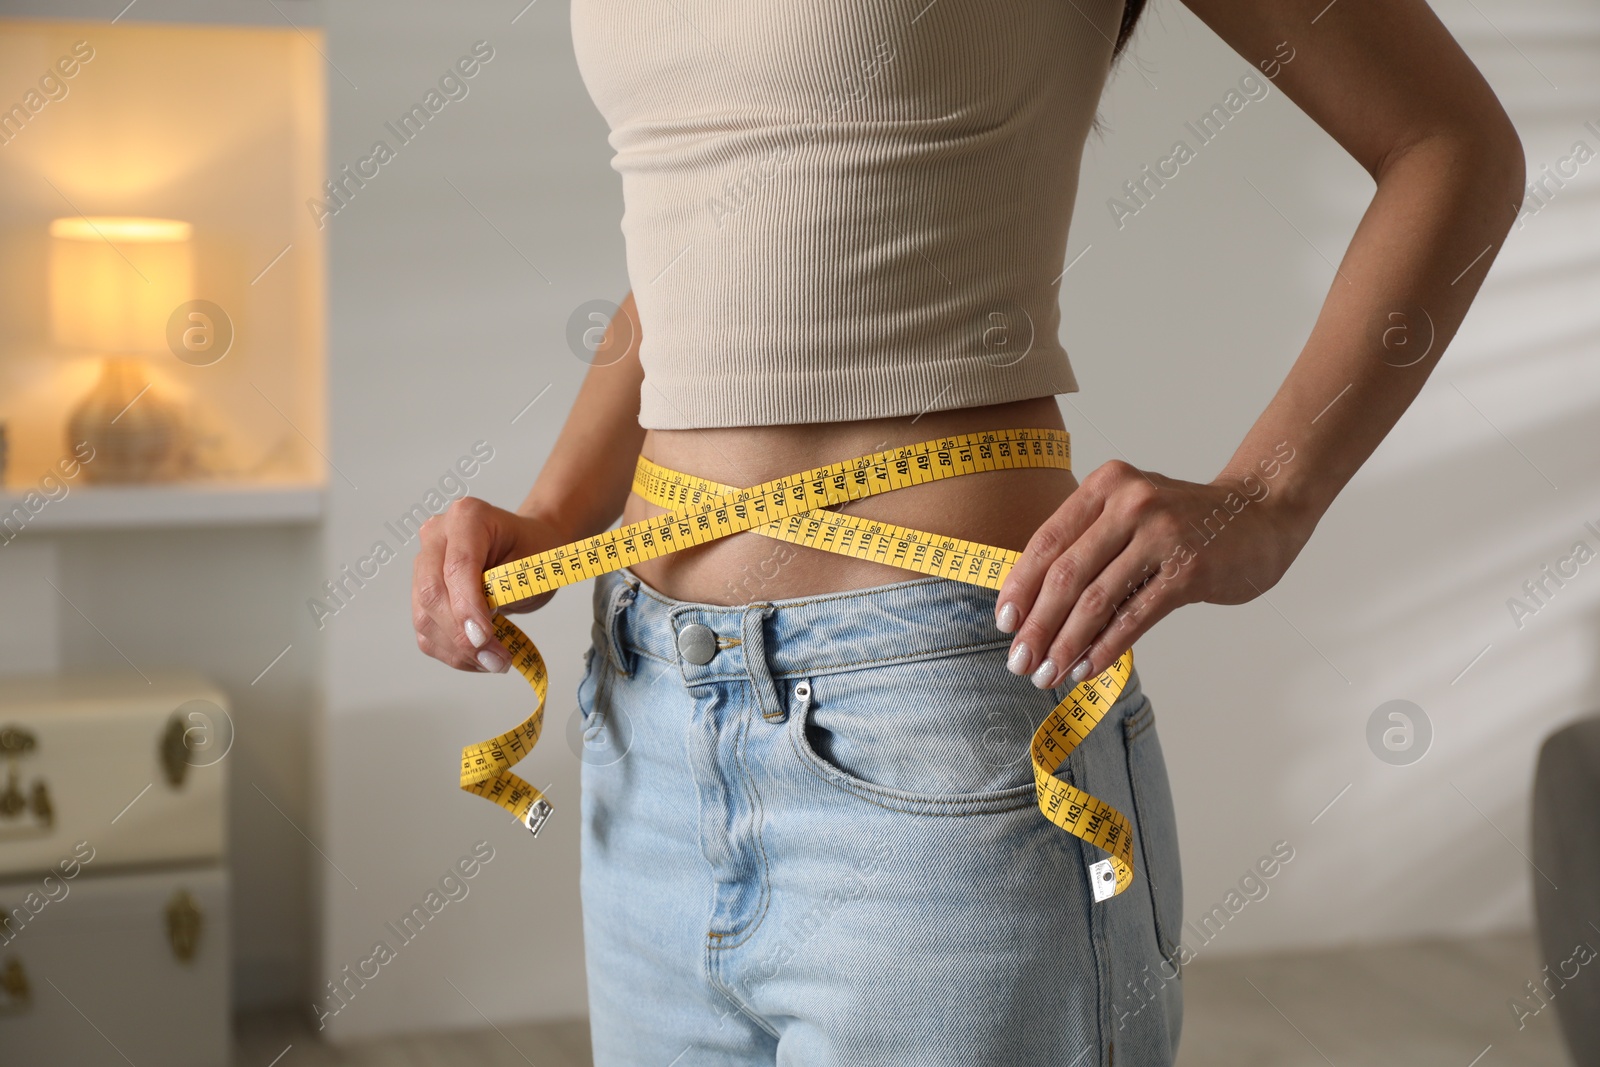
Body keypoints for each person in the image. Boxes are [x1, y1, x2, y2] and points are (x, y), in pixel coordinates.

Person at [411, 0, 1525, 1062]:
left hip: (930, 722)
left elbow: (1448, 142)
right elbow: (710, 234)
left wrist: (1270, 497)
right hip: (646, 716)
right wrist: (555, 510)